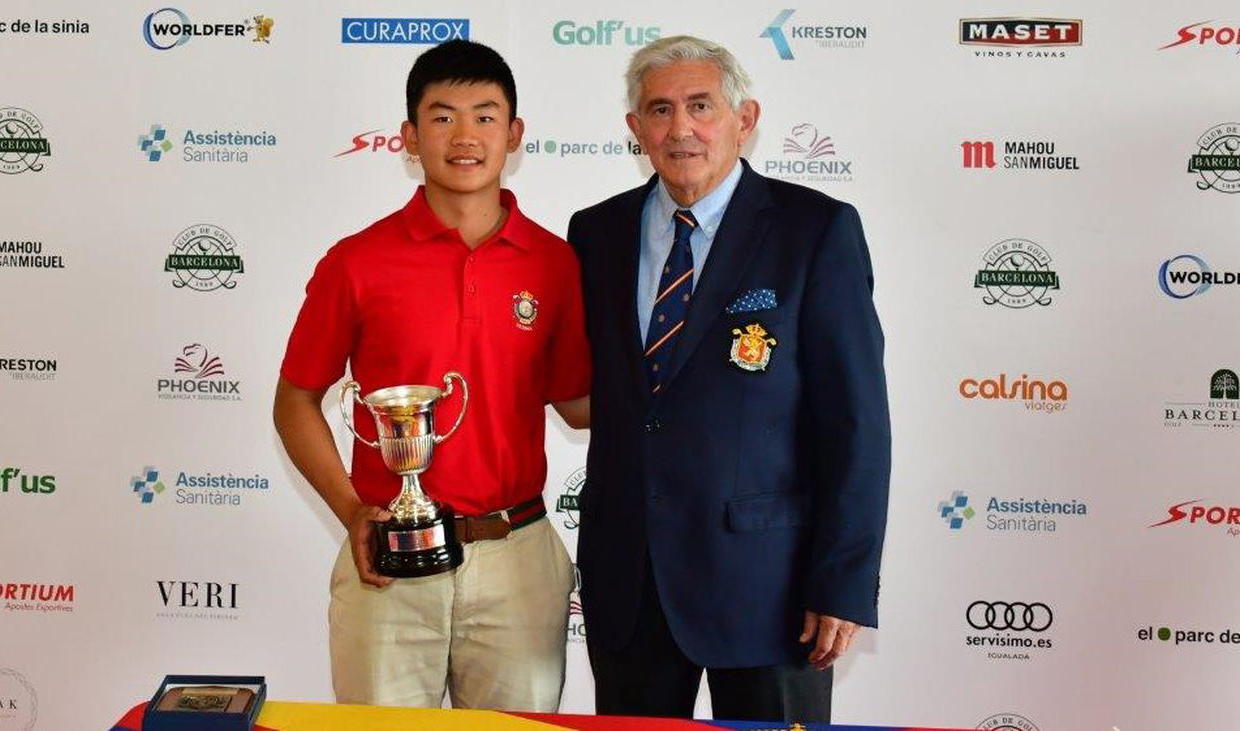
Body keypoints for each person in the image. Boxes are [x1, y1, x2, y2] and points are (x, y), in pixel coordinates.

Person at [566, 35, 890, 723]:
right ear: (636, 130)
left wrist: (844, 580)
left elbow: (854, 422)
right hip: (631, 582)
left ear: (744, 120)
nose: (680, 127)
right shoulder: (594, 234)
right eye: (659, 109)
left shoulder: (816, 230)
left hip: (770, 587)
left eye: (700, 105)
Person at [273, 39, 590, 711]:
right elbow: (296, 400)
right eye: (443, 117)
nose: (466, 135)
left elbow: (577, 403)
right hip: (390, 559)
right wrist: (354, 510)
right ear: (410, 138)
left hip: (518, 557)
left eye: (485, 114)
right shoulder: (357, 261)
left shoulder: (556, 263)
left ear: (515, 134)